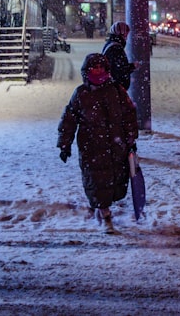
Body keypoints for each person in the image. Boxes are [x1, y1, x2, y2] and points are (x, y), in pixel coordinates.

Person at [57, 52, 139, 233]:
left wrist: (131, 139)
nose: (98, 71)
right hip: (91, 149)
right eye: (94, 68)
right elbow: (69, 120)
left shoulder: (117, 91)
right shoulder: (81, 94)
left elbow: (129, 116)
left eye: (101, 67)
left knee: (115, 181)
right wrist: (65, 144)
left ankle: (103, 209)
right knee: (97, 182)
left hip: (115, 147)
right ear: (87, 71)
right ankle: (105, 214)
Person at [102, 21, 136, 90]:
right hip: (115, 88)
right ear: (122, 33)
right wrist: (132, 66)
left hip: (112, 86)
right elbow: (120, 69)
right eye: (126, 33)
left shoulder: (110, 44)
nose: (127, 36)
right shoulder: (116, 48)